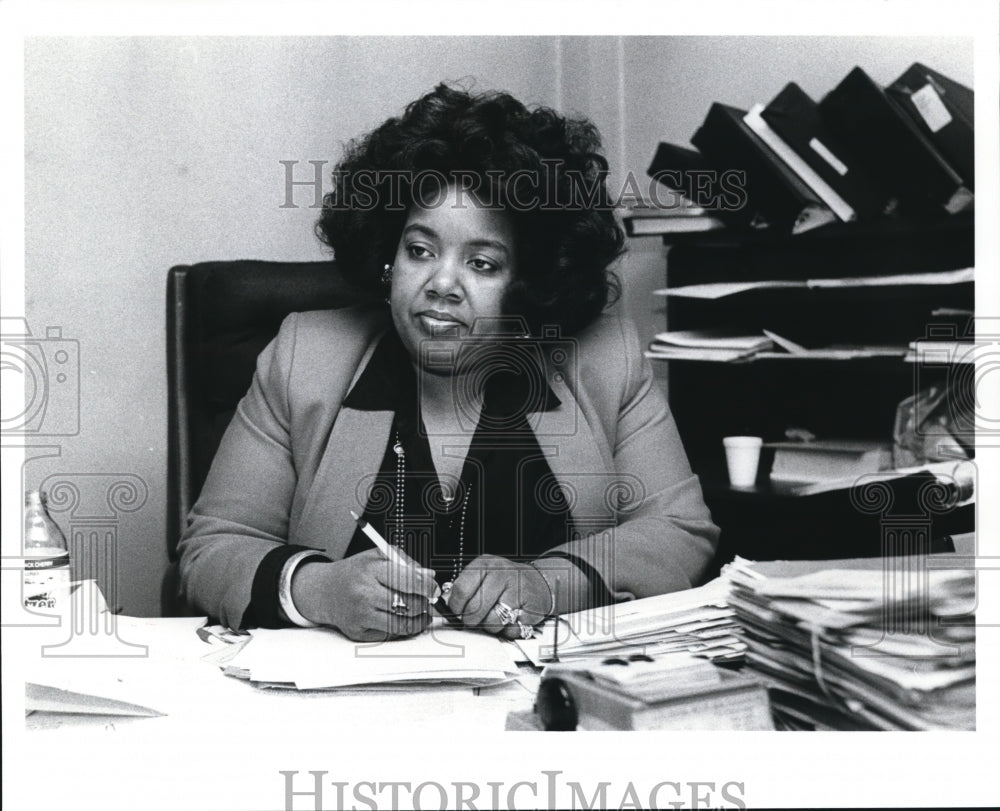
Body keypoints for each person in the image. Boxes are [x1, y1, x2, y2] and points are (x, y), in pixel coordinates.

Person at [177, 83, 719, 641]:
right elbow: (214, 546)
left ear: (528, 284)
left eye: (482, 264)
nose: (441, 284)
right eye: (420, 250)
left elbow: (679, 531)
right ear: (388, 258)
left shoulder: (605, 360)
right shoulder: (304, 357)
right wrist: (319, 589)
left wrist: (548, 584)